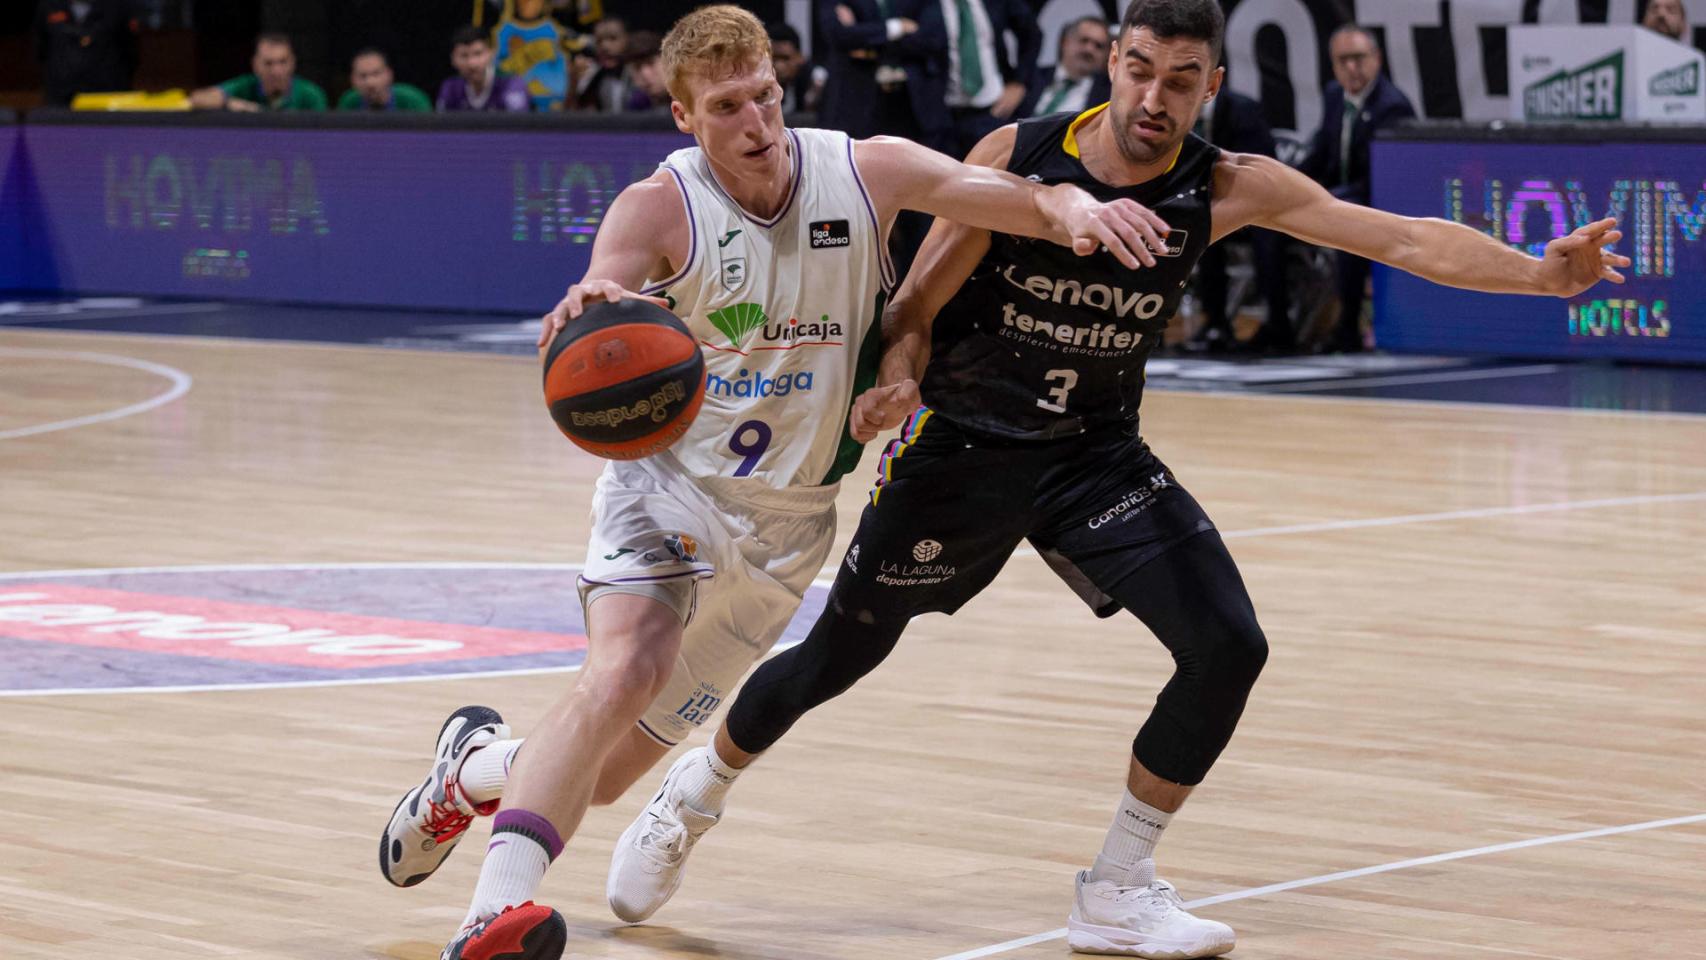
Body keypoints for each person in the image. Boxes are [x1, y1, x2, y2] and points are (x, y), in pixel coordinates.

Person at [587, 1, 1626, 957]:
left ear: (1205, 87)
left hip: (1093, 454)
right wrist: (897, 378)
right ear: (1111, 65)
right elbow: (908, 307)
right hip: (964, 445)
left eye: (1179, 79)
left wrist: (1537, 273)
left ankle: (1117, 885)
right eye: (1138, 70)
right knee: (838, 657)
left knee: (1227, 644)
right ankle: (693, 794)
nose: (1152, 96)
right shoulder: (1021, 158)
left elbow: (1395, 236)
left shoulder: (1222, 188)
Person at [374, 6, 1169, 959]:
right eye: (726, 107)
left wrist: (1072, 208)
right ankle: (489, 918)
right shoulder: (657, 208)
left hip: (788, 530)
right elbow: (603, 285)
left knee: (614, 770)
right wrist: (589, 303)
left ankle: (472, 771)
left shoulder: (865, 169)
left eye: (765, 97)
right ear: (683, 117)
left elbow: (1009, 197)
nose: (756, 125)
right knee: (622, 672)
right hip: (666, 491)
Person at [1296, 24, 1415, 352]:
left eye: (1359, 58)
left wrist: (1331, 200)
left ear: (1377, 59)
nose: (1352, 67)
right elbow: (1321, 154)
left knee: (1346, 223)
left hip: (1379, 201)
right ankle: (1279, 324)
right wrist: (1287, 183)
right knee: (1269, 219)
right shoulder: (1335, 95)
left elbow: (1388, 175)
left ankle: (1347, 327)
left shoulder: (1393, 105)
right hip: (1340, 196)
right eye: (1343, 60)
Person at [1185, 86, 1291, 353]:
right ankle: (1215, 323)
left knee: (1267, 237)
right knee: (1201, 230)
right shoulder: (1177, 110)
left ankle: (1278, 323)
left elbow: (1259, 174)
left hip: (1255, 202)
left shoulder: (1243, 110)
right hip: (1210, 201)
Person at [940, 0, 1043, 157]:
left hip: (991, 110)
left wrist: (1020, 82)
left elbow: (1032, 34)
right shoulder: (925, 4)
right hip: (939, 116)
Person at [33, 0, 139, 108]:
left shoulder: (118, 6)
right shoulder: (50, 5)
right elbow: (42, 48)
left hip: (108, 93)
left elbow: (129, 50)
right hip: (61, 94)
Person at [189, 33, 327, 112]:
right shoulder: (245, 85)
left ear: (293, 62)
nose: (276, 70)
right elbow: (198, 98)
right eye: (268, 63)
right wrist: (230, 103)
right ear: (255, 65)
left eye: (282, 62)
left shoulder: (311, 95)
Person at [1024, 15, 1111, 118]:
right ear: (1065, 42)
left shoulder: (1107, 97)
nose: (1089, 50)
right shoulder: (1029, 78)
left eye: (1098, 46)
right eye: (1084, 40)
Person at [438, 25, 532, 112]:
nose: (472, 64)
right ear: (453, 59)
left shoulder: (511, 83)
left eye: (478, 54)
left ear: (491, 53)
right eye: (464, 56)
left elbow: (518, 125)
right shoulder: (451, 88)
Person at [338, 48, 433, 112]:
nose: (370, 82)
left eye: (376, 74)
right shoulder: (349, 102)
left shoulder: (413, 100)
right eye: (363, 76)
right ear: (352, 79)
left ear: (389, 75)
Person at [766, 21, 825, 114]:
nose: (778, 65)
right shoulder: (761, 83)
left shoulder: (817, 79)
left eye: (785, 58)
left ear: (800, 58)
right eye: (774, 58)